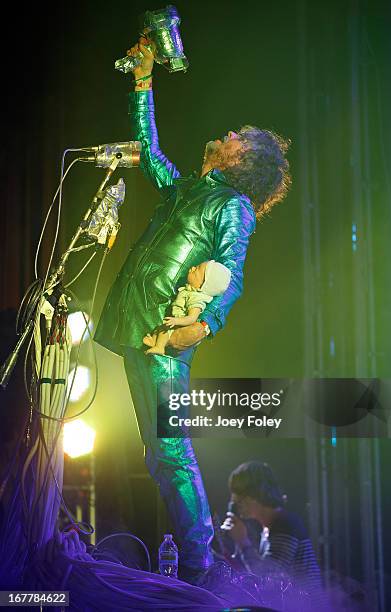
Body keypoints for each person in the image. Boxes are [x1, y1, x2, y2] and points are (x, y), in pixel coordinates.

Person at [94, 35, 291, 581]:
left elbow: (234, 275)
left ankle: (199, 564)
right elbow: (148, 152)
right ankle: (188, 559)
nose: (227, 134)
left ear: (243, 159)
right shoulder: (189, 191)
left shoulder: (234, 207)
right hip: (136, 323)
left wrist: (202, 324)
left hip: (164, 334)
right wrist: (142, 81)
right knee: (157, 457)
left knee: (171, 455)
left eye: (238, 138)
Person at [222, 461, 322, 595]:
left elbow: (266, 579)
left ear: (254, 495)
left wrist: (243, 543)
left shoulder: (285, 525)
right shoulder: (270, 527)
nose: (233, 501)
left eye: (238, 494)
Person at [143, 260, 231, 355]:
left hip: (180, 325)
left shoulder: (196, 299)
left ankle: (159, 347)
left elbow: (192, 318)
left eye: (196, 270)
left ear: (202, 285)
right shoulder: (190, 291)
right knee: (161, 330)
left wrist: (176, 321)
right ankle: (154, 341)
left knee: (165, 332)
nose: (192, 268)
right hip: (175, 321)